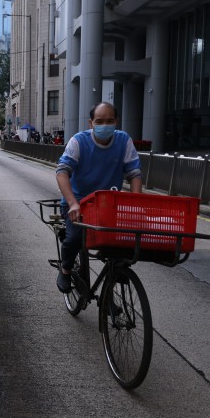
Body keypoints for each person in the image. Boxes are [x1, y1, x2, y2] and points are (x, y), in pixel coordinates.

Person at [55, 102, 144, 293]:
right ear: (91, 123)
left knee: (122, 240)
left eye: (110, 121)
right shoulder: (79, 141)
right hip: (79, 204)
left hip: (108, 205)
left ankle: (111, 285)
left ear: (116, 122)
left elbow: (134, 174)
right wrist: (72, 203)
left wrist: (136, 204)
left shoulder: (123, 140)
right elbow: (62, 172)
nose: (105, 125)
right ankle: (65, 270)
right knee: (75, 238)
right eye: (100, 121)